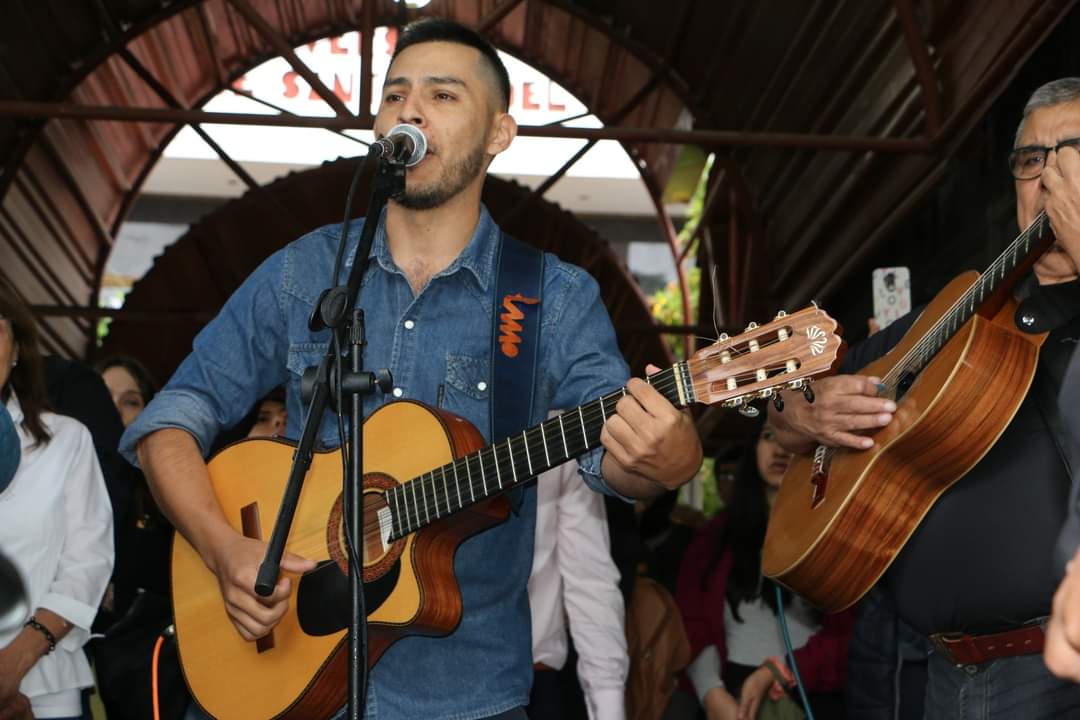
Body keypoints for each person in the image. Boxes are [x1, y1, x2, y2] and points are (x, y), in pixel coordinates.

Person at [119, 18, 702, 720]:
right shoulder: (304, 272)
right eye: (395, 96)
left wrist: (667, 460)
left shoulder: (553, 297)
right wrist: (221, 550)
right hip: (287, 681)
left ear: (499, 133)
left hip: (463, 697)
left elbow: (613, 464)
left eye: (443, 95)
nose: (410, 111)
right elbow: (170, 420)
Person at [769, 77, 1080, 718]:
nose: (1048, 177)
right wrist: (803, 411)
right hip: (940, 677)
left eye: (1071, 153)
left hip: (1058, 674)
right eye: (1031, 159)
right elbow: (783, 403)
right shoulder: (959, 309)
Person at [676, 420, 851, 720]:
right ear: (753, 447)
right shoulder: (715, 535)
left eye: (794, 437)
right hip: (728, 691)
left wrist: (783, 670)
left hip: (807, 693)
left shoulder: (837, 535)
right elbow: (690, 620)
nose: (780, 449)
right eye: (769, 436)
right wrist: (711, 691)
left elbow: (852, 632)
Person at [0, 279, 114, 720]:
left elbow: (88, 563)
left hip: (44, 684)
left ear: (17, 348)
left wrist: (14, 665)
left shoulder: (67, 440)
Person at [527, 458, 628, 720]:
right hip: (429, 670)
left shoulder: (558, 439)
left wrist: (609, 707)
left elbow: (589, 577)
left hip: (536, 680)